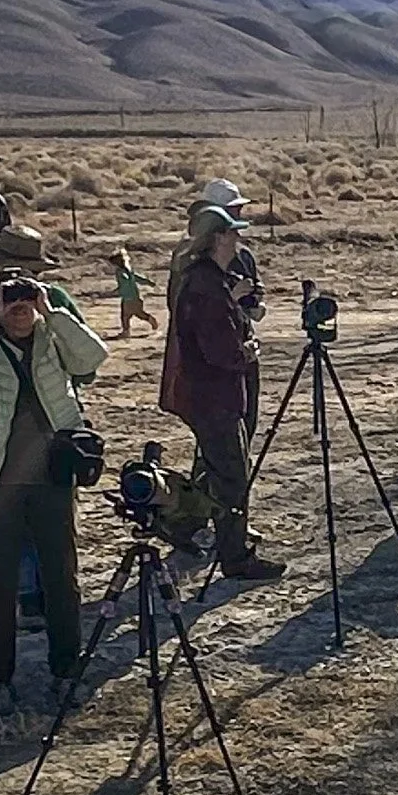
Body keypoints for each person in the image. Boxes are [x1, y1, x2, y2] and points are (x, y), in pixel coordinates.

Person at [0, 270, 108, 714]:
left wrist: (54, 312)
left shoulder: (52, 335)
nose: (19, 308)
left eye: (26, 299)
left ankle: (66, 671)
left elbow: (92, 357)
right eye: (10, 299)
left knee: (61, 578)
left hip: (52, 477)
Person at [160, 206, 284, 580]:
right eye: (232, 233)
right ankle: (235, 556)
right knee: (231, 476)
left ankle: (183, 526)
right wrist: (246, 352)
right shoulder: (207, 287)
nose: (238, 240)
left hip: (207, 396)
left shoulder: (205, 279)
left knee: (215, 471)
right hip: (214, 397)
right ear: (217, 238)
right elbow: (219, 351)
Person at [171, 177, 265, 429]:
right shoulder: (190, 260)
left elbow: (255, 295)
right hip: (210, 359)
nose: (238, 216)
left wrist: (252, 303)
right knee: (218, 433)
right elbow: (184, 307)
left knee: (245, 424)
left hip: (239, 348)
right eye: (233, 211)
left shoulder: (240, 253)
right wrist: (230, 299)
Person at [111, 246, 156, 337]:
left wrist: (118, 291)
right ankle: (151, 320)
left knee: (126, 316)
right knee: (136, 313)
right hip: (135, 296)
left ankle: (126, 331)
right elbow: (137, 278)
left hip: (128, 298)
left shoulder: (120, 272)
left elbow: (125, 284)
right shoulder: (129, 270)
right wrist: (148, 282)